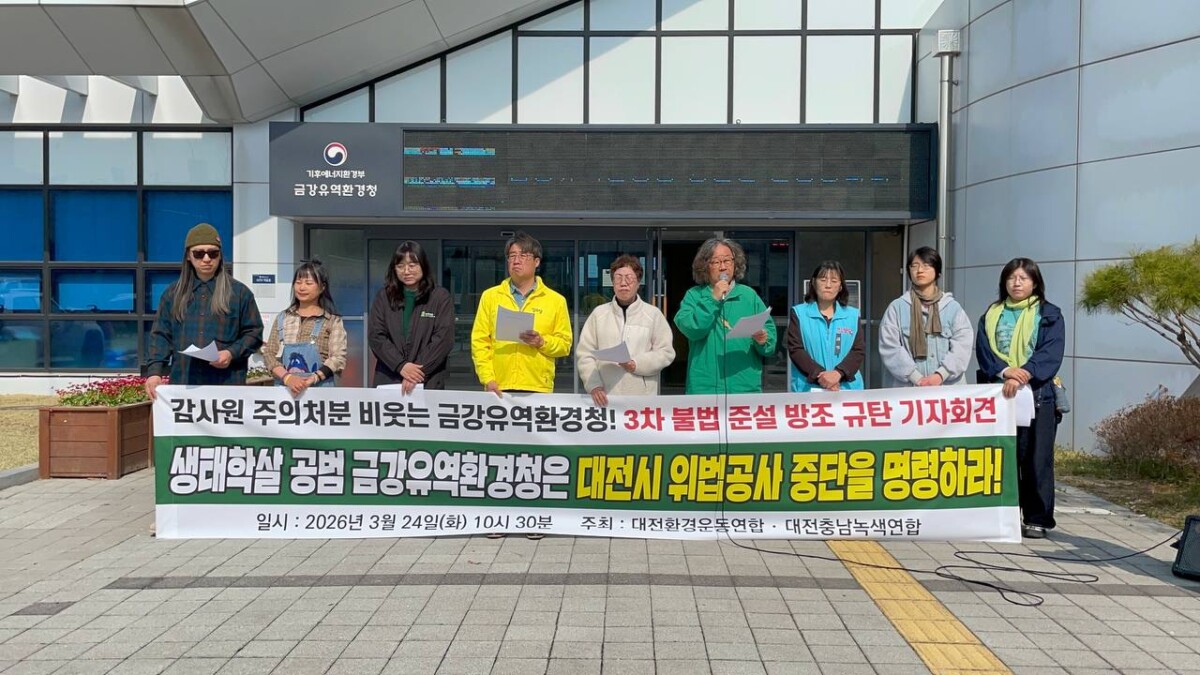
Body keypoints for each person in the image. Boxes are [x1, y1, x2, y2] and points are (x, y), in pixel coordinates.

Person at [470, 231, 572, 540]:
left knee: (534, 455)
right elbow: (480, 341)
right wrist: (487, 378)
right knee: (499, 453)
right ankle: (498, 517)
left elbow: (565, 344)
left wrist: (542, 341)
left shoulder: (555, 301)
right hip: (499, 388)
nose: (516, 261)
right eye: (511, 256)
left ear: (537, 262)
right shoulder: (491, 297)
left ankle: (534, 517)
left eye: (522, 256)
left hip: (536, 386)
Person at [975, 258, 1065, 540]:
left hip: (1037, 395)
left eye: (1023, 278)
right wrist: (1005, 371)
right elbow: (984, 351)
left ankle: (1037, 518)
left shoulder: (1049, 314)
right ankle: (1006, 515)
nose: (1016, 283)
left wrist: (1023, 374)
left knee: (1037, 459)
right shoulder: (991, 314)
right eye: (1011, 278)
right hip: (999, 394)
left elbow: (1050, 352)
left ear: (1035, 283)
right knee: (1003, 457)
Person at [144, 223, 263, 400]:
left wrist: (231, 353)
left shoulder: (239, 293)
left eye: (213, 253)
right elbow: (161, 335)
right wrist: (155, 372)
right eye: (199, 254)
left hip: (226, 386)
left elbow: (254, 333)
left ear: (220, 256)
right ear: (188, 256)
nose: (206, 259)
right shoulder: (172, 294)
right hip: (184, 383)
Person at [673, 237, 777, 394]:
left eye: (727, 260)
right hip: (705, 388)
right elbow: (693, 330)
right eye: (716, 262)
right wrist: (712, 299)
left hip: (744, 387)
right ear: (705, 266)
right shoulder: (694, 296)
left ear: (735, 264)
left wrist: (763, 340)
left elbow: (769, 341)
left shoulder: (748, 296)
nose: (723, 267)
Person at [576, 254, 675, 406]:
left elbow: (665, 352)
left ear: (638, 282)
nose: (623, 283)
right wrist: (594, 385)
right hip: (605, 397)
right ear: (612, 283)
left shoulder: (653, 315)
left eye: (629, 278)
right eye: (618, 278)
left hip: (642, 398)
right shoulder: (599, 314)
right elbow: (585, 354)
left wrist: (636, 364)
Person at [878, 246, 973, 388]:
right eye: (914, 266)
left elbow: (962, 346)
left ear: (938, 272)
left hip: (947, 389)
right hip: (907, 389)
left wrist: (940, 375)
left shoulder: (953, 308)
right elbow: (890, 347)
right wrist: (917, 378)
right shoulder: (897, 308)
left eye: (926, 265)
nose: (920, 270)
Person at [368, 241, 455, 393]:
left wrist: (416, 372)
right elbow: (376, 336)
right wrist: (401, 365)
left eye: (412, 265)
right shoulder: (384, 297)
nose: (406, 271)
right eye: (400, 266)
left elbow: (443, 339)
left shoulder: (440, 297)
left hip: (427, 380)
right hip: (390, 377)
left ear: (423, 265)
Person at [262, 259, 347, 397]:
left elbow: (338, 358)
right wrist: (288, 378)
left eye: (308, 283)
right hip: (285, 391)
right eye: (298, 282)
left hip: (320, 391)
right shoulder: (283, 318)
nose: (302, 288)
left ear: (322, 287)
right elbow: (269, 353)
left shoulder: (332, 321)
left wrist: (312, 379)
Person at [787, 261, 865, 392]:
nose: (828, 285)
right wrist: (821, 376)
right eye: (823, 280)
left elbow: (858, 350)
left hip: (846, 389)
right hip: (809, 389)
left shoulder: (852, 315)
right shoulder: (799, 313)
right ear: (813, 282)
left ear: (840, 286)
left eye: (834, 281)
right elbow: (796, 349)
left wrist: (839, 373)